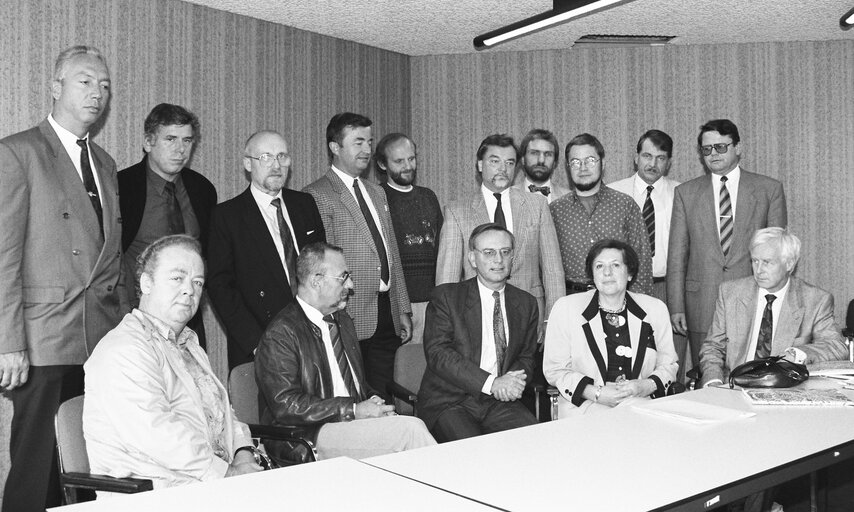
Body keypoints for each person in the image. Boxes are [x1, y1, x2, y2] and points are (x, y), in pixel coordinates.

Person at [0, 45, 127, 512]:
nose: (98, 93)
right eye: (86, 81)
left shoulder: (108, 164)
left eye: (105, 85)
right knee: (37, 467)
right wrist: (7, 341)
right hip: (44, 337)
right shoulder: (18, 152)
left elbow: (112, 258)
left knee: (89, 464)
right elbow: (3, 255)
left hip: (101, 339)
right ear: (56, 88)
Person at [84, 235, 261, 489]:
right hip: (157, 493)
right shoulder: (124, 348)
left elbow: (221, 411)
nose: (190, 290)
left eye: (198, 282)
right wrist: (229, 474)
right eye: (177, 278)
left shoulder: (188, 343)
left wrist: (244, 451)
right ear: (146, 283)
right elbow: (157, 435)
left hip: (208, 484)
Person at [255, 242, 436, 462]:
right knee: (410, 431)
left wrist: (373, 400)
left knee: (405, 431)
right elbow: (286, 405)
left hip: (349, 423)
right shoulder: (281, 334)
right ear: (316, 281)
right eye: (343, 277)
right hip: (308, 435)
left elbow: (354, 384)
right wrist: (352, 410)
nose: (350, 284)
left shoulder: (341, 320)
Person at [304, 113, 412, 401]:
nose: (367, 149)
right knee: (358, 398)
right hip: (350, 313)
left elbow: (391, 252)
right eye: (358, 142)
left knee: (387, 395)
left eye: (369, 141)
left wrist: (402, 307)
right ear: (335, 147)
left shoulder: (377, 192)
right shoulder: (317, 194)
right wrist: (338, 312)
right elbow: (325, 265)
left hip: (386, 312)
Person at [668, 119, 787, 371]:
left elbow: (778, 253)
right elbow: (677, 256)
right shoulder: (685, 193)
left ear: (738, 148)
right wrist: (676, 306)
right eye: (706, 149)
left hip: (753, 297)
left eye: (721, 147)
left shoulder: (769, 189)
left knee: (753, 372)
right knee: (707, 376)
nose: (713, 154)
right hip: (701, 301)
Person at [207, 130, 325, 369]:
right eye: (266, 157)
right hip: (260, 342)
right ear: (247, 164)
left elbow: (323, 266)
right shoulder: (227, 216)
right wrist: (256, 343)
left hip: (313, 336)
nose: (276, 165)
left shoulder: (305, 204)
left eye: (282, 156)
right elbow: (221, 287)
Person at [419, 223, 539, 442]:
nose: (498, 259)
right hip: (451, 400)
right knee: (474, 453)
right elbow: (439, 354)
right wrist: (492, 383)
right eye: (489, 252)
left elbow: (526, 356)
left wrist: (513, 382)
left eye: (505, 252)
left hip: (499, 401)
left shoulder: (526, 303)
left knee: (534, 440)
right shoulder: (447, 297)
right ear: (473, 259)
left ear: (513, 258)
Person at [436, 133, 564, 329]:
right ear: (480, 165)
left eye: (510, 163)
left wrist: (554, 321)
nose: (503, 169)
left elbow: (552, 269)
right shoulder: (457, 211)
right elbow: (448, 278)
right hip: (476, 318)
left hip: (529, 317)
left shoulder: (536, 205)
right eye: (495, 161)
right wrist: (446, 324)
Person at [543, 240, 678, 419]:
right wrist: (597, 393)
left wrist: (644, 386)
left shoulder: (655, 309)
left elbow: (669, 364)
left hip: (640, 402)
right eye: (599, 266)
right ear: (592, 274)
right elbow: (555, 370)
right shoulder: (566, 308)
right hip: (585, 406)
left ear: (630, 273)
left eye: (615, 265)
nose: (607, 273)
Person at [119, 103, 217, 349]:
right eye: (171, 139)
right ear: (148, 142)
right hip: (136, 319)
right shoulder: (122, 188)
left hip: (188, 319)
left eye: (187, 140)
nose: (180, 149)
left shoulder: (202, 190)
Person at [699, 228, 847, 387]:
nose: (759, 270)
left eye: (767, 262)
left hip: (785, 389)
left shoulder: (815, 300)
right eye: (755, 261)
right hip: (734, 385)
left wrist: (799, 353)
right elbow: (712, 348)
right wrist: (713, 382)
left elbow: (837, 347)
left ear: (789, 263)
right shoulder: (730, 293)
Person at [550, 133, 653, 296]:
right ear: (568, 167)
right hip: (571, 299)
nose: (583, 168)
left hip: (618, 297)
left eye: (590, 160)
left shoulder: (625, 205)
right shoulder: (555, 210)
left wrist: (637, 305)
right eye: (576, 162)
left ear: (602, 163)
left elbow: (642, 261)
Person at [377, 132, 443, 344]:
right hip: (398, 305)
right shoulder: (377, 198)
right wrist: (400, 306)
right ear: (382, 164)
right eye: (399, 161)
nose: (407, 166)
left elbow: (442, 249)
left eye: (411, 159)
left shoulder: (428, 196)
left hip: (433, 303)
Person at [512, 128, 570, 203]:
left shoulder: (570, 198)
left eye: (548, 154)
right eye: (535, 153)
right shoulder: (507, 197)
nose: (541, 160)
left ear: (555, 162)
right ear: (523, 159)